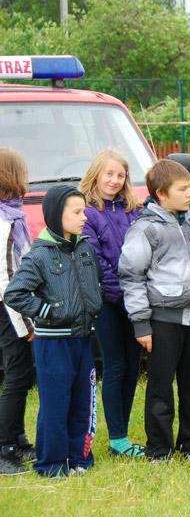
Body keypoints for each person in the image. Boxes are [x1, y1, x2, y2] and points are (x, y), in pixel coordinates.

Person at [118, 160, 190, 460]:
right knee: (161, 389)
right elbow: (132, 277)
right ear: (161, 194)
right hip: (164, 323)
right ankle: (159, 449)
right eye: (183, 188)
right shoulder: (145, 229)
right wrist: (141, 324)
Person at [5, 185, 103, 477]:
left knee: (82, 400)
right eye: (76, 212)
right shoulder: (39, 255)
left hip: (84, 338)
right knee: (55, 404)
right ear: (55, 215)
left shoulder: (84, 247)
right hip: (53, 344)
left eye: (83, 210)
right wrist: (48, 312)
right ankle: (52, 463)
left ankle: (78, 458)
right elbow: (15, 293)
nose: (83, 217)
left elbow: (92, 284)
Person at [77, 149, 143, 459]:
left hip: (135, 299)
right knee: (116, 365)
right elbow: (95, 259)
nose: (115, 180)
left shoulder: (134, 210)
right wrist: (122, 291)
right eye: (109, 174)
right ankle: (117, 437)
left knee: (132, 366)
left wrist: (138, 292)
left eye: (121, 175)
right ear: (96, 175)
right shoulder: (87, 212)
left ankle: (123, 432)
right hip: (108, 301)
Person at [0, 149, 34, 475]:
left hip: (11, 308)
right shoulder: (5, 222)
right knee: (16, 376)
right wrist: (26, 323)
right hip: (9, 310)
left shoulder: (12, 215)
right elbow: (9, 278)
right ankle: (5, 447)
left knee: (21, 374)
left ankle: (19, 437)